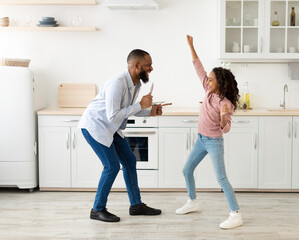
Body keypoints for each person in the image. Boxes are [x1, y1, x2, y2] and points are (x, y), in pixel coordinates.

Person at [79, 49, 162, 223]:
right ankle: (97, 209)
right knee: (111, 167)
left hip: (110, 127)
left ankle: (136, 205)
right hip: (95, 126)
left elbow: (126, 111)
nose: (151, 68)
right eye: (148, 65)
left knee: (130, 161)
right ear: (137, 66)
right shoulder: (117, 83)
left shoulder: (136, 84)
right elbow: (114, 115)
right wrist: (140, 105)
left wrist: (149, 111)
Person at [175, 35, 242, 229]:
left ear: (220, 83)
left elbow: (226, 128)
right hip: (201, 140)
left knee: (221, 179)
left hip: (214, 142)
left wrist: (222, 117)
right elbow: (199, 67)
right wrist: (191, 46)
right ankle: (192, 201)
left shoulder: (226, 104)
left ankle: (235, 214)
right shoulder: (208, 91)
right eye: (208, 79)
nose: (207, 81)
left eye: (211, 80)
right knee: (187, 170)